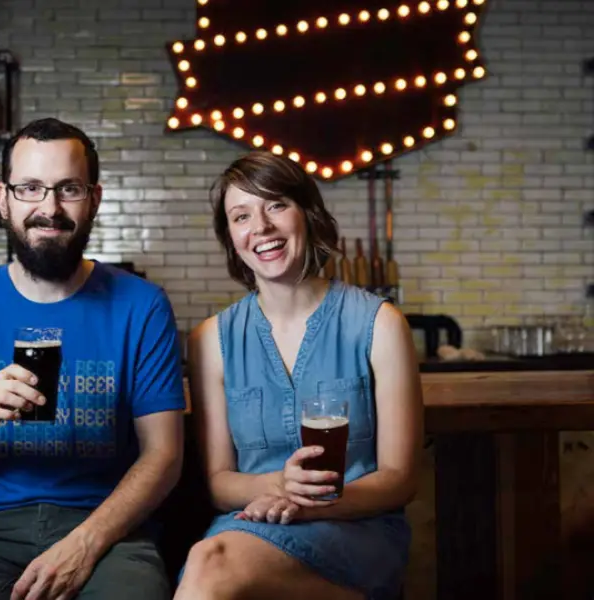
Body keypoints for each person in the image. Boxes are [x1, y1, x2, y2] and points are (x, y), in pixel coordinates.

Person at [0, 118, 186, 600]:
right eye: (30, 188)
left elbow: (164, 457)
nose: (49, 209)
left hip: (109, 531)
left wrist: (86, 543)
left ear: (94, 197)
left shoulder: (141, 304)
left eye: (68, 188)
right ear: (3, 198)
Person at [175, 151, 423, 600]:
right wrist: (277, 488)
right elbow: (218, 481)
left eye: (276, 205)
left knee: (211, 567)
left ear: (306, 214)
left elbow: (400, 477)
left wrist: (303, 506)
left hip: (356, 527)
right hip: (250, 524)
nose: (262, 227)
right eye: (241, 216)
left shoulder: (381, 324)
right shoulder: (210, 340)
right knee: (210, 561)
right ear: (231, 238)